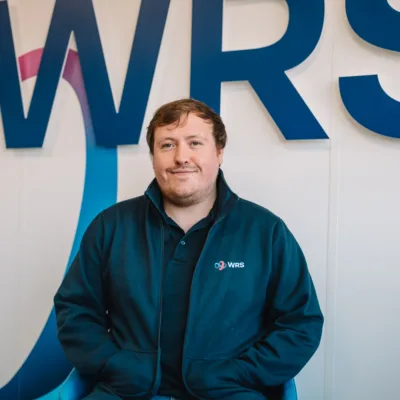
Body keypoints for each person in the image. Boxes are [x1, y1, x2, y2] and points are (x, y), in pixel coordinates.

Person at [54, 98, 324, 400]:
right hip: (124, 391)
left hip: (230, 392)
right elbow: (75, 309)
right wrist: (114, 365)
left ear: (219, 152)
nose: (181, 157)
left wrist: (240, 373)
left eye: (195, 143)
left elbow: (300, 323)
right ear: (154, 158)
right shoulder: (111, 226)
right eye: (167, 145)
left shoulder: (265, 232)